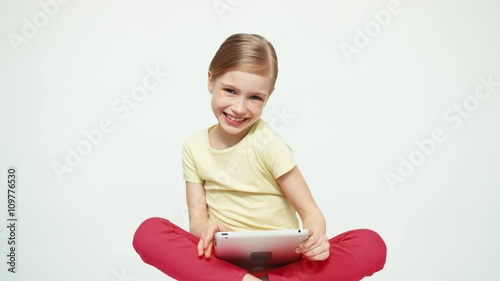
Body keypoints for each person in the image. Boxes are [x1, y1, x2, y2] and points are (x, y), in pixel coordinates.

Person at [133, 33, 387, 281]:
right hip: (223, 263)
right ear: (211, 80)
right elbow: (198, 221)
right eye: (230, 91)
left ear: (268, 96)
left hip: (285, 263)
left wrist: (316, 239)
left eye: (255, 97)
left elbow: (310, 212)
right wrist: (206, 230)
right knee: (149, 233)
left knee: (369, 245)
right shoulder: (194, 147)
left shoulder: (269, 144)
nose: (239, 108)